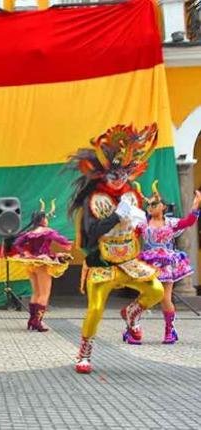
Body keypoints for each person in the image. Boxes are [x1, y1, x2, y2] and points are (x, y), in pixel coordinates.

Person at [67, 123, 164, 374]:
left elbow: (138, 227)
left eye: (124, 173)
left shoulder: (133, 196)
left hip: (129, 260)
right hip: (102, 261)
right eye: (114, 174)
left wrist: (139, 221)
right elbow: (90, 237)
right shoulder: (94, 200)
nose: (119, 179)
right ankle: (85, 351)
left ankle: (131, 313)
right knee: (96, 308)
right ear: (102, 174)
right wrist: (115, 217)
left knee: (156, 291)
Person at [139, 182, 201, 344]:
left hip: (165, 264)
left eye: (154, 203)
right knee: (143, 297)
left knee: (165, 298)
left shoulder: (170, 223)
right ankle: (133, 327)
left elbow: (188, 222)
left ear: (164, 207)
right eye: (148, 204)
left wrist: (195, 206)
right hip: (146, 266)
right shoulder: (142, 224)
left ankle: (169, 331)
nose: (150, 206)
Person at [8, 199, 73, 332]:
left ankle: (32, 321)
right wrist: (67, 243)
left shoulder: (29, 233)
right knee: (44, 293)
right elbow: (61, 239)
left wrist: (25, 252)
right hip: (42, 263)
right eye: (46, 217)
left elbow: (16, 243)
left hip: (31, 263)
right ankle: (37, 322)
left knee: (36, 292)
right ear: (42, 219)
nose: (47, 220)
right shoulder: (47, 231)